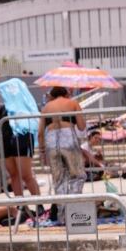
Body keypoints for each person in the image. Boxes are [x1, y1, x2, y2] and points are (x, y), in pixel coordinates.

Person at [0, 78, 42, 210]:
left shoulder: (26, 105)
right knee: (14, 174)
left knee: (26, 175)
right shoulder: (5, 108)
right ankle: (21, 205)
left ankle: (39, 204)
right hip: (6, 141)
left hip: (22, 139)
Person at [38, 87, 86, 221]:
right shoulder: (73, 103)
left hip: (51, 140)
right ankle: (74, 212)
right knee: (77, 175)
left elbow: (40, 133)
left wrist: (42, 152)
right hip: (68, 136)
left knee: (59, 180)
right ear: (67, 94)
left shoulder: (46, 107)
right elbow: (82, 126)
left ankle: (62, 216)